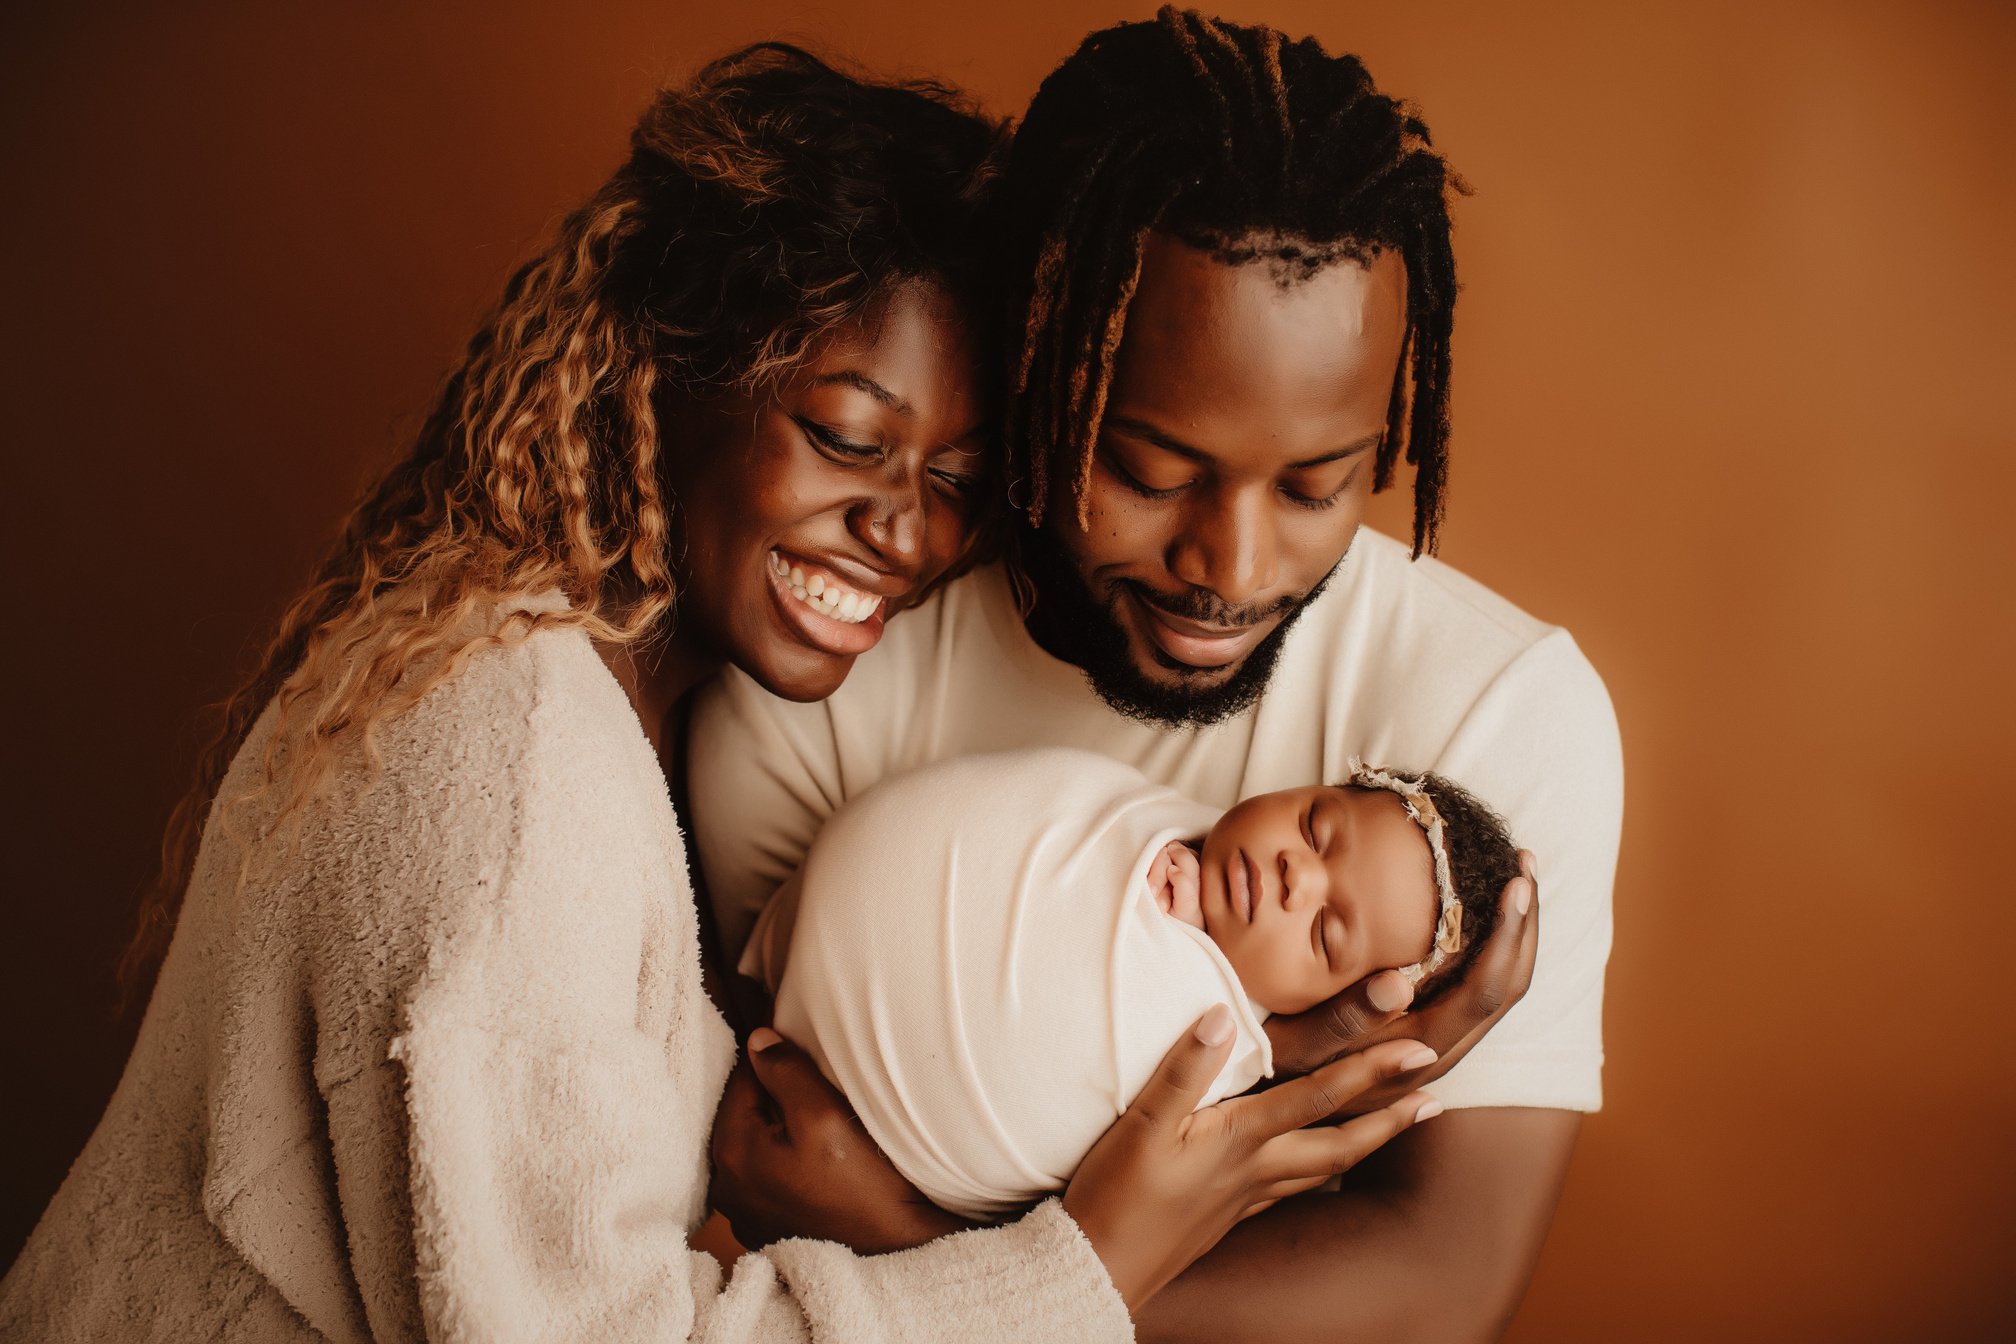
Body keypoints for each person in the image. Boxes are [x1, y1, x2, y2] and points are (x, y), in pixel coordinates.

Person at [0, 43, 1433, 1343]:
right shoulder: (516, 759)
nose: (906, 532)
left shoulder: (593, 692)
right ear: (671, 366)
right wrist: (1086, 1268)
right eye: (843, 438)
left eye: (956, 483)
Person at [688, 10, 1624, 1340]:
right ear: (1039, 366)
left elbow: (1439, 1282)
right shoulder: (827, 663)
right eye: (1150, 468)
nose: (1229, 566)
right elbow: (769, 1149)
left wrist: (931, 1252)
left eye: (1318, 485)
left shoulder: (1497, 714)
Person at [734, 747, 1517, 1222]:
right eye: (1315, 827)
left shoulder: (1224, 1064)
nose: (1293, 875)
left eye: (1322, 932)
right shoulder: (1158, 816)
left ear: (1340, 1004)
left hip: (864, 1144)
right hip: (776, 947)